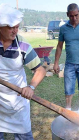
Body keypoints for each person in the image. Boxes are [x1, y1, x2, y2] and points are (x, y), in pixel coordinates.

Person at [0, 4, 46, 140]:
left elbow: (40, 70)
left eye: (17, 27)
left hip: (18, 104)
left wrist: (30, 87)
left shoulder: (22, 44)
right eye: (11, 27)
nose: (15, 31)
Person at [53, 3, 79, 111]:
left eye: (76, 15)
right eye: (71, 16)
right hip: (70, 63)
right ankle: (68, 108)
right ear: (67, 15)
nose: (74, 18)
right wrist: (56, 62)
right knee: (68, 87)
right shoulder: (64, 28)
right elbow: (59, 46)